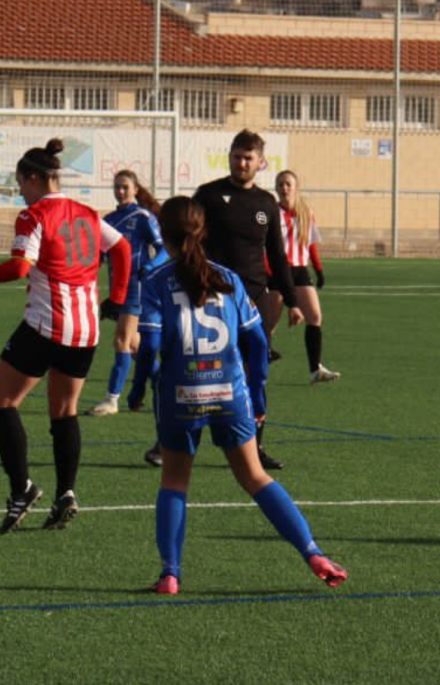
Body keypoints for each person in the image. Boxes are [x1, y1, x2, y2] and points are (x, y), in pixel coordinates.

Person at [142, 195, 347, 595]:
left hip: (180, 396)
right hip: (230, 394)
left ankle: (170, 573)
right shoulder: (229, 279)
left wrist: (137, 388)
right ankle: (313, 552)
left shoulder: (156, 280)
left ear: (163, 236)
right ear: (205, 232)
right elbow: (256, 342)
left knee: (174, 482)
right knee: (255, 476)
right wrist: (257, 395)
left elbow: (149, 347)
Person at [0, 139, 132, 534]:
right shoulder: (85, 212)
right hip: (85, 330)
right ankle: (66, 492)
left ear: (34, 178)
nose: (19, 190)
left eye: (20, 182)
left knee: (1, 401)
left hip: (46, 323)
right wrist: (115, 299)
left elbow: (19, 268)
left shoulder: (33, 215)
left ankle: (22, 489)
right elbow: (123, 249)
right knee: (64, 411)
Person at [193, 129, 301, 471]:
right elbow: (190, 244)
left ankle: (257, 444)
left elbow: (277, 255)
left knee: (257, 373)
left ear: (260, 162)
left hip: (253, 300)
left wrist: (292, 299)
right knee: (202, 372)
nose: (242, 163)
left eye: (248, 158)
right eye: (237, 156)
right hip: (212, 300)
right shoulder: (208, 196)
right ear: (230, 157)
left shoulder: (266, 204)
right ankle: (175, 441)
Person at [89, 170, 168, 418]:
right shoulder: (108, 219)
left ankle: (112, 399)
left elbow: (164, 250)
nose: (121, 191)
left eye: (125, 187)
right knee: (134, 346)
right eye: (117, 187)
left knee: (121, 341)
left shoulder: (143, 216)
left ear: (135, 189)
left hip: (137, 287)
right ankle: (165, 387)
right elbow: (98, 257)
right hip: (117, 289)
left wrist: (150, 268)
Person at [266, 170, 340, 384]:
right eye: (280, 184)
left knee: (315, 317)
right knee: (269, 323)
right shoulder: (273, 212)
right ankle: (256, 366)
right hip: (278, 271)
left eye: (288, 184)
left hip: (299, 270)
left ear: (296, 187)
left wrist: (318, 270)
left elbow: (310, 243)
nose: (284, 188)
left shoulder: (306, 212)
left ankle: (315, 370)